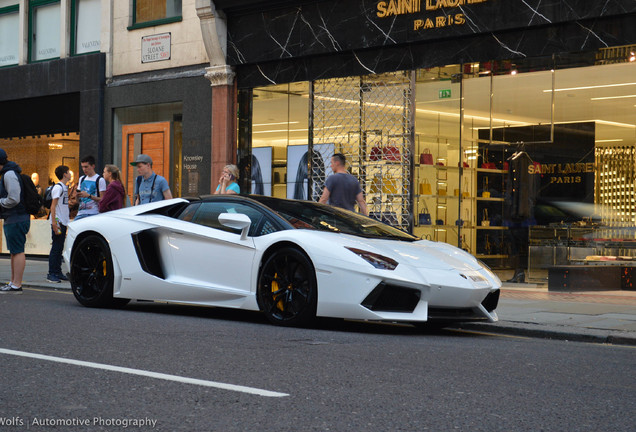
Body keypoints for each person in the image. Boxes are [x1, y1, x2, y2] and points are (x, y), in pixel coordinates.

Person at [0, 148, 30, 294]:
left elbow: (14, 198)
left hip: (16, 217)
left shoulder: (9, 174)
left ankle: (17, 284)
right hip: (14, 217)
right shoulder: (9, 172)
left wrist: (0, 202)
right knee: (14, 251)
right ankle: (13, 282)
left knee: (17, 251)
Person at [46, 165, 71, 283]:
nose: (70, 174)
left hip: (63, 221)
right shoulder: (58, 188)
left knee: (60, 247)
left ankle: (58, 271)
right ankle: (52, 273)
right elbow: (53, 206)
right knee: (56, 247)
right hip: (58, 222)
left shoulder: (64, 187)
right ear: (65, 174)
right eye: (69, 172)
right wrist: (55, 224)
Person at [75, 155, 107, 220]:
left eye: (86, 167)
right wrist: (76, 195)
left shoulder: (100, 180)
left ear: (93, 166)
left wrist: (89, 196)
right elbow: (78, 201)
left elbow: (103, 199)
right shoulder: (82, 178)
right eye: (82, 167)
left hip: (94, 213)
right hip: (81, 212)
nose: (84, 169)